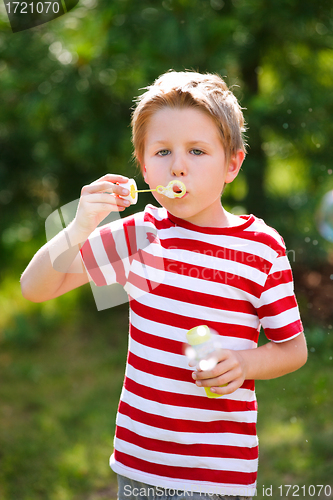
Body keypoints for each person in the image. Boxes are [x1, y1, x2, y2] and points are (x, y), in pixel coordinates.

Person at [21, 70, 307, 500]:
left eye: (197, 150)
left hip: (220, 472)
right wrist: (78, 226)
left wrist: (245, 365)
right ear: (143, 164)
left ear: (232, 164)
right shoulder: (141, 234)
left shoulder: (261, 247)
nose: (177, 165)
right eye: (162, 151)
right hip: (141, 466)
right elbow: (36, 287)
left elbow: (293, 350)